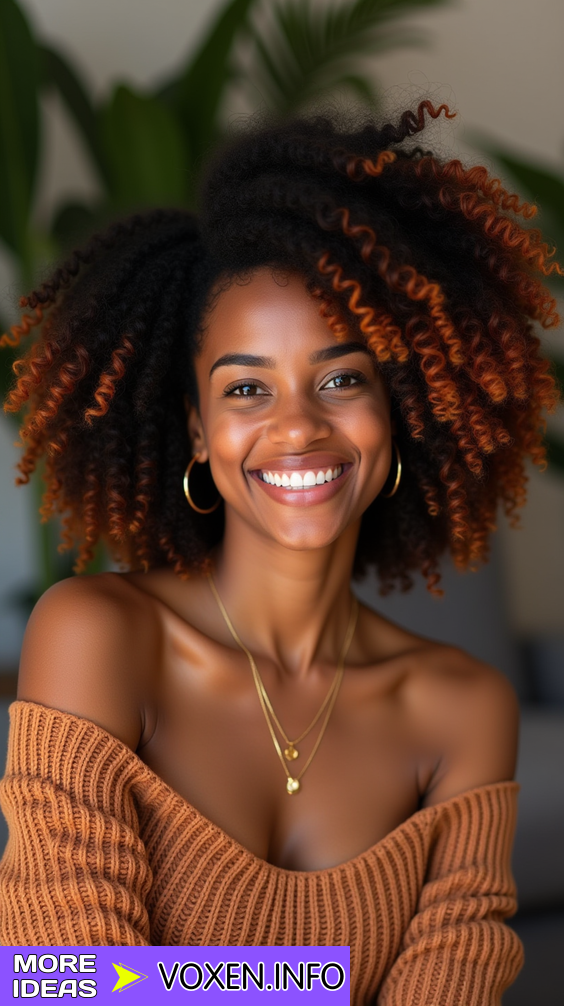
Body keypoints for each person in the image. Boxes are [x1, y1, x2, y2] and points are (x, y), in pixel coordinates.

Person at [0, 99, 558, 1001]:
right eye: (247, 388)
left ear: (400, 412)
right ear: (197, 430)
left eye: (341, 378)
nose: (298, 428)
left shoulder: (464, 710)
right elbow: (57, 978)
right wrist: (325, 978)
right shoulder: (98, 634)